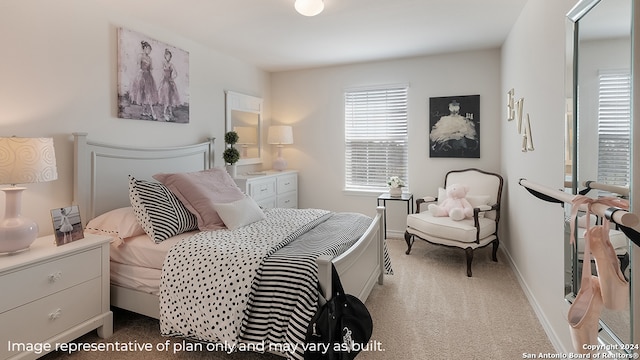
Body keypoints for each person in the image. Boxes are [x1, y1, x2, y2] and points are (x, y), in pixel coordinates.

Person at [130, 41, 159, 120]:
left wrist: (149, 72)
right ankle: (144, 111)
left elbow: (151, 68)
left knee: (149, 94)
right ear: (145, 48)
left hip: (148, 76)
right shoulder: (140, 56)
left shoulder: (150, 58)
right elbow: (138, 66)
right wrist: (139, 76)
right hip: (141, 76)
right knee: (143, 94)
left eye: (150, 50)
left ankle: (152, 112)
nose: (149, 51)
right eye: (148, 49)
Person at [157, 49, 180, 121]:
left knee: (170, 98)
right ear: (165, 56)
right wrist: (160, 82)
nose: (168, 57)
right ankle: (165, 112)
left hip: (170, 82)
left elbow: (176, 73)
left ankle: (170, 112)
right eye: (167, 56)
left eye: (170, 56)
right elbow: (162, 73)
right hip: (165, 82)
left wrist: (172, 78)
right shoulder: (163, 64)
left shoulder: (171, 65)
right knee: (166, 97)